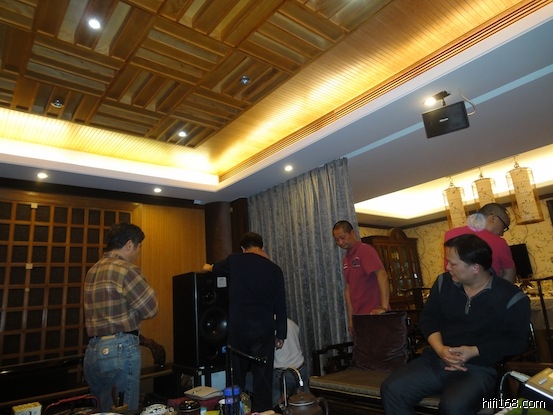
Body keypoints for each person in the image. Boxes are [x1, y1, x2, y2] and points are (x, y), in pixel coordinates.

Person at [380, 234, 530, 415]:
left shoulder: (512, 297)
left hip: (479, 368)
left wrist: (473, 351)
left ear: (475, 268)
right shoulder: (443, 283)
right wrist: (440, 349)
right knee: (392, 389)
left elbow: (516, 341)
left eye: (452, 263)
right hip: (437, 360)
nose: (447, 267)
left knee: (454, 408)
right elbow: (429, 319)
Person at [204, 232, 287, 412]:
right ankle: (263, 411)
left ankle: (234, 410)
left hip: (239, 329)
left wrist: (207, 267)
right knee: (263, 378)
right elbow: (281, 304)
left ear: (243, 248)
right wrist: (281, 334)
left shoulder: (234, 260)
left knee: (235, 376)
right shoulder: (274, 269)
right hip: (263, 330)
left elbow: (214, 268)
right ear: (262, 247)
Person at [83, 223, 158, 412]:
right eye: (139, 247)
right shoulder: (126, 269)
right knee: (123, 410)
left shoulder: (93, 270)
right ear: (129, 244)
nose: (138, 252)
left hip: (92, 350)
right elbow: (151, 309)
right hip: (119, 349)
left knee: (103, 410)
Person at [332, 220, 390, 335]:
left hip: (374, 316)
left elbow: (382, 275)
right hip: (359, 317)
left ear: (353, 233)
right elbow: (348, 288)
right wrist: (351, 318)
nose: (340, 242)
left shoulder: (365, 250)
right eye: (337, 240)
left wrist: (384, 308)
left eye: (342, 237)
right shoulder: (346, 258)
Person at [444, 202, 516, 282]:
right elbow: (509, 274)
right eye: (504, 227)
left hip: (455, 288)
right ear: (493, 218)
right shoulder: (500, 242)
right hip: (489, 288)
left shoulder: (450, 234)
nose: (502, 233)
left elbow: (447, 269)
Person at [273, 318, 308, 408]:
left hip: (282, 374)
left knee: (250, 381)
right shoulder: (291, 322)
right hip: (301, 369)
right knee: (303, 404)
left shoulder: (267, 326)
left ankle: (278, 403)